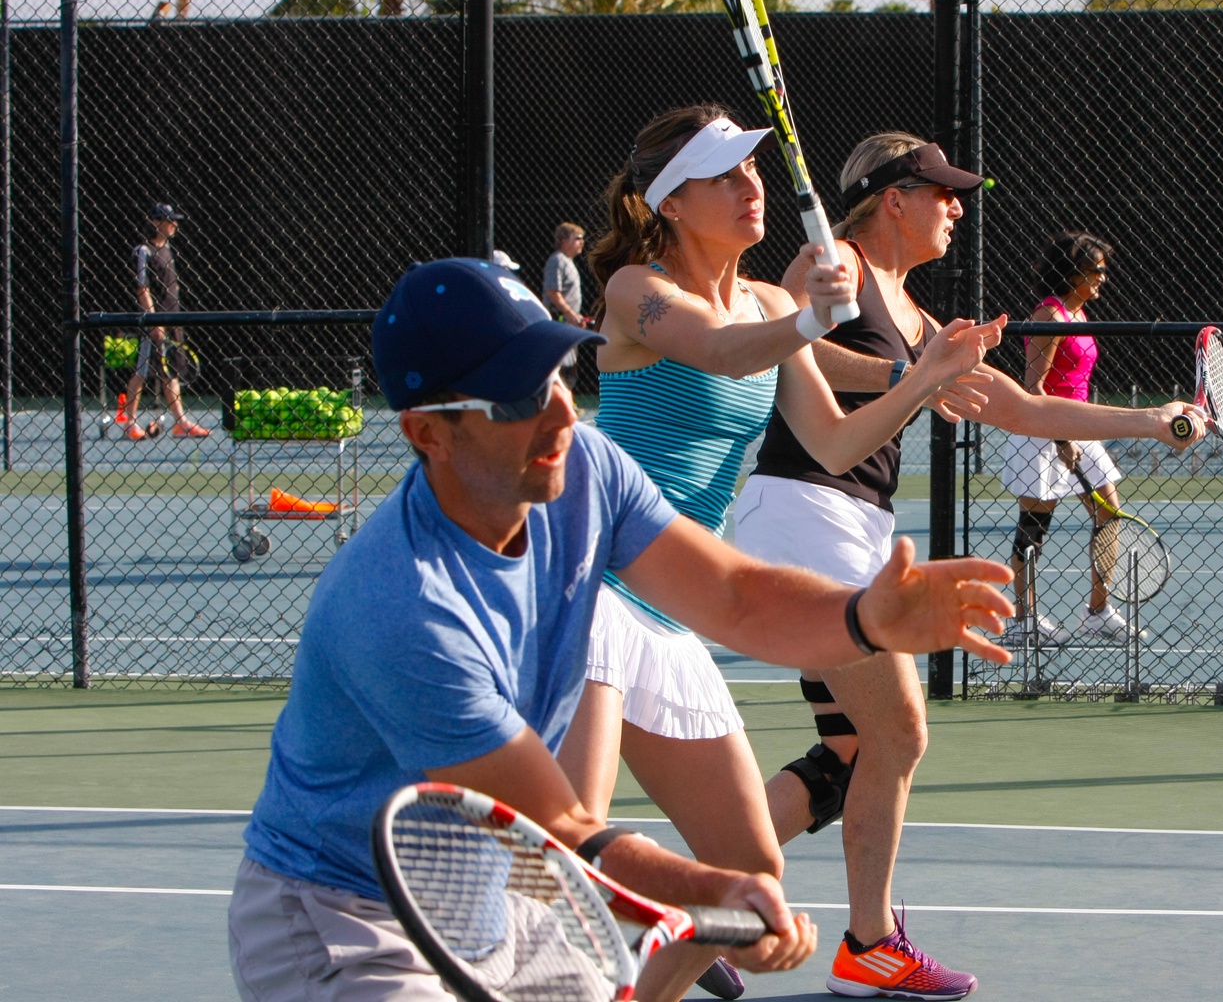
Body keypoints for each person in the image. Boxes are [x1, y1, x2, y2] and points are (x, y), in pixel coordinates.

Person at [226, 256, 1016, 1002]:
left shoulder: (585, 471)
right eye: (514, 399)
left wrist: (865, 618)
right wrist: (716, 893)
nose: (560, 414)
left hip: (490, 891)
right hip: (347, 916)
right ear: (427, 434)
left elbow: (734, 595)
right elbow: (562, 825)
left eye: (560, 375)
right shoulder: (403, 607)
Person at [732, 133, 1206, 1000]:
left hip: (853, 525)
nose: (956, 206)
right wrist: (902, 366)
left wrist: (1148, 419)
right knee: (901, 733)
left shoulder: (918, 318)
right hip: (807, 511)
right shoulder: (830, 268)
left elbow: (1023, 409)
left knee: (850, 752)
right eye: (940, 191)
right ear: (892, 200)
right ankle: (869, 946)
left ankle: (714, 904)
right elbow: (788, 347)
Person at [555, 105, 1001, 1002]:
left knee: (749, 878)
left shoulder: (765, 302)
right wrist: (809, 318)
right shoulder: (637, 291)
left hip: (672, 606)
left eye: (752, 168)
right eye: (723, 175)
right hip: (591, 588)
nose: (749, 185)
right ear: (671, 202)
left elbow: (834, 442)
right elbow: (720, 353)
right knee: (572, 846)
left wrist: (922, 380)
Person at [999, 231, 1133, 641]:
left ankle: (1098, 611)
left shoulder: (1078, 315)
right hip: (1041, 431)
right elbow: (1034, 387)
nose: (1103, 278)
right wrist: (1061, 439)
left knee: (1109, 513)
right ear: (1073, 273)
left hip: (1079, 426)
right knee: (1034, 528)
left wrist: (1074, 434)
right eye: (1096, 270)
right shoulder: (1049, 317)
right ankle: (1023, 620)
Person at [124, 203, 209, 440]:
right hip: (154, 321)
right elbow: (142, 288)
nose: (175, 225)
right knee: (142, 371)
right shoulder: (143, 251)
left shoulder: (167, 249)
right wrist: (153, 321)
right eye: (170, 220)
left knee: (170, 372)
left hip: (173, 320)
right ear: (155, 222)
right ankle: (130, 423)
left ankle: (180, 423)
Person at [544, 223, 590, 387]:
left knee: (570, 369)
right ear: (564, 241)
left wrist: (575, 317)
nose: (582, 242)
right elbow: (552, 293)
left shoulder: (568, 262)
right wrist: (570, 314)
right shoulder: (557, 260)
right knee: (561, 369)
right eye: (577, 238)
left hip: (568, 323)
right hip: (559, 323)